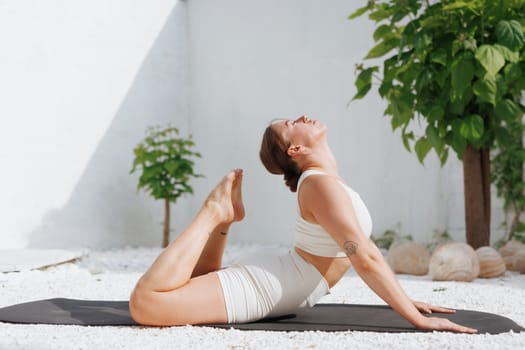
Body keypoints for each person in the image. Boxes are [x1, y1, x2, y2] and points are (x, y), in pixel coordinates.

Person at [129, 115, 477, 333]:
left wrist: (402, 299)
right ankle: (213, 213)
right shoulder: (319, 185)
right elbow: (364, 257)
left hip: (281, 278)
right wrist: (417, 318)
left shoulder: (323, 181)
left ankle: (224, 220)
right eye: (292, 123)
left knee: (187, 286)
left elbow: (363, 254)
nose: (304, 117)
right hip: (268, 287)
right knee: (145, 303)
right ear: (295, 148)